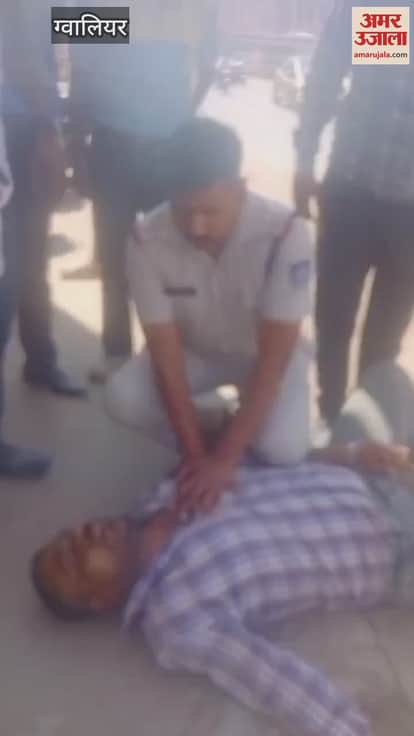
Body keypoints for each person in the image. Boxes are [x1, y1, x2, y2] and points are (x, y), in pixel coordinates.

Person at [31, 360, 414, 736]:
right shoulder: (176, 614)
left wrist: (350, 454)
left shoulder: (165, 493)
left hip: (358, 473)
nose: (81, 535)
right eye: (72, 559)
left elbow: (274, 466)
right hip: (396, 545)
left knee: (387, 378)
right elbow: (270, 679)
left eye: (70, 534)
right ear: (100, 600)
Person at [106, 118, 314, 513]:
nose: (196, 227)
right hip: (195, 353)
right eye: (183, 211)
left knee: (282, 449)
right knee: (123, 397)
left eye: (209, 211)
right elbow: (166, 360)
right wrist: (197, 456)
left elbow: (273, 362)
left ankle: (237, 436)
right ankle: (218, 426)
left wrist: (225, 460)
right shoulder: (145, 240)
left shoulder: (286, 233)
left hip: (261, 357)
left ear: (240, 188)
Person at [68, 0, 219, 382]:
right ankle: (125, 354)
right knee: (124, 259)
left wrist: (180, 120)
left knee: (163, 260)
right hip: (122, 145)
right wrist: (75, 145)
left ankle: (157, 356)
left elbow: (210, 64)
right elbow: (80, 70)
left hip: (152, 149)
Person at [294, 0, 414, 426]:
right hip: (352, 194)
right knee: (334, 319)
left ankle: (363, 430)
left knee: (384, 338)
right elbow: (325, 83)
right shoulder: (386, 9)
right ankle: (331, 417)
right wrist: (304, 160)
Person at [1, 0, 87, 399]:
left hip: (24, 130)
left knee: (30, 261)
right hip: (20, 128)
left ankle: (41, 361)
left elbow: (84, 31)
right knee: (19, 265)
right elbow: (29, 57)